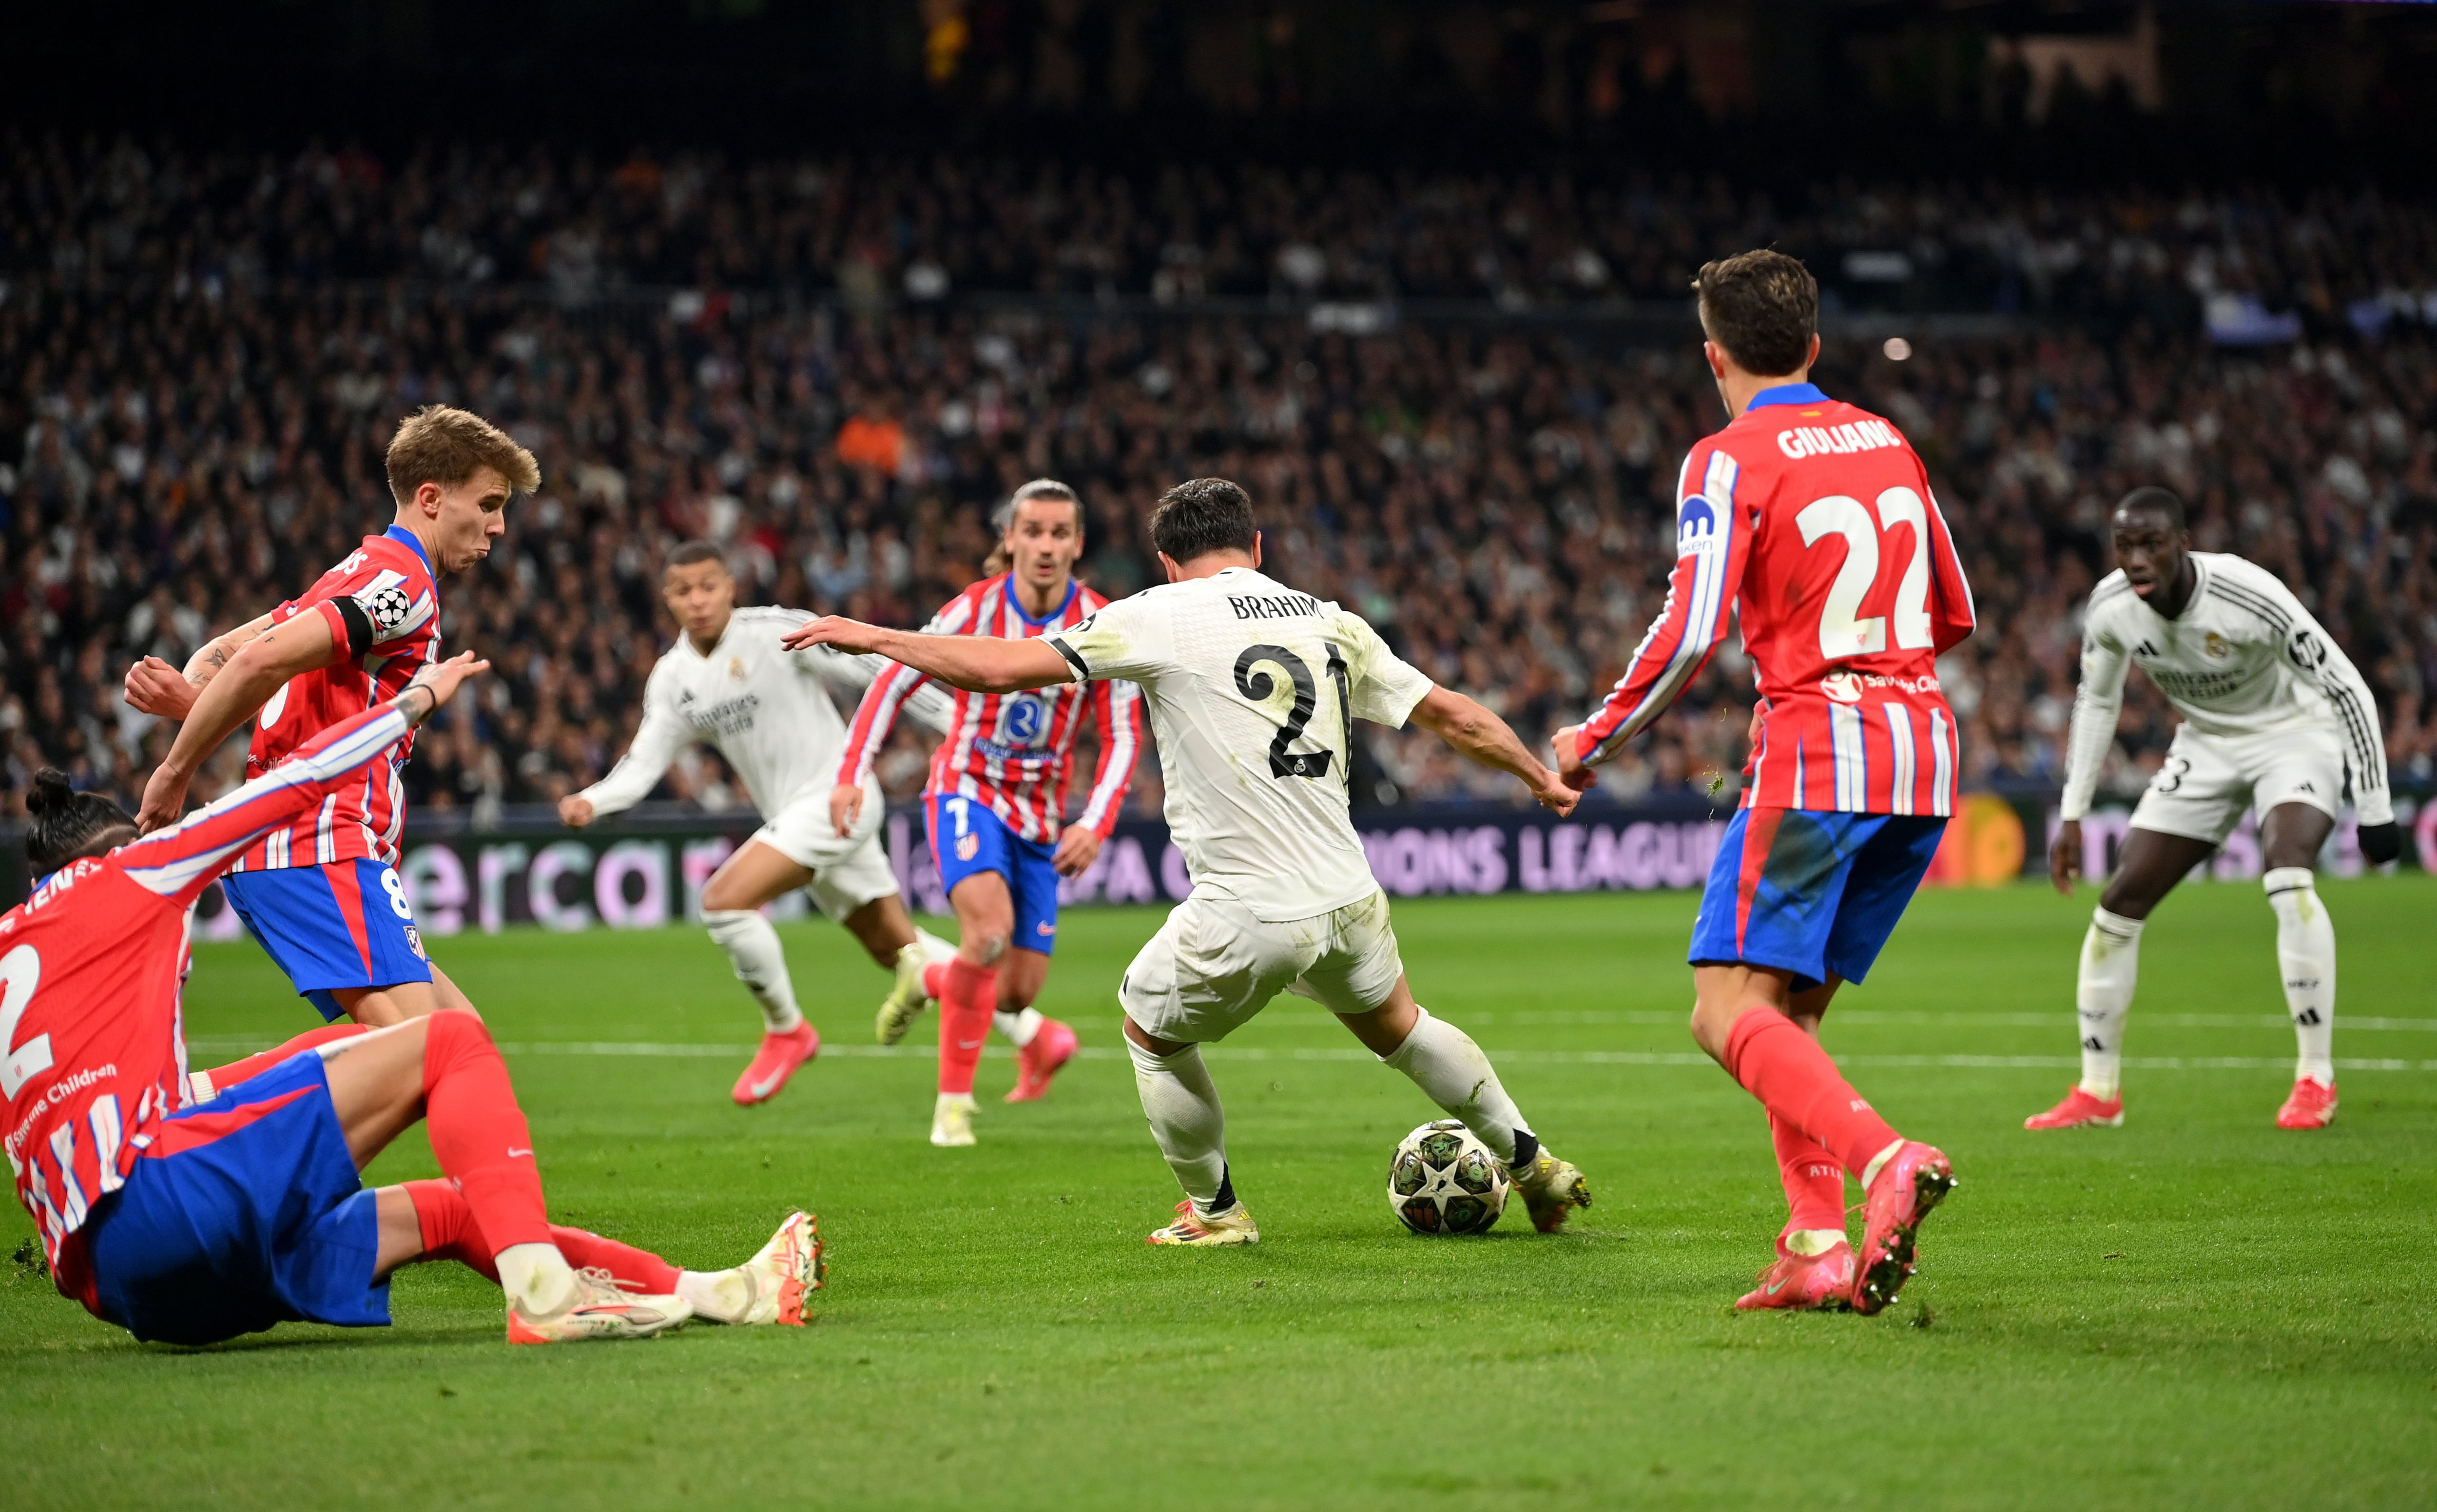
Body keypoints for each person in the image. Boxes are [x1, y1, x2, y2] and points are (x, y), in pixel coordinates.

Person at [785, 478, 1594, 1246]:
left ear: (1168, 560)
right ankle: (1535, 1163)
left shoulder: (1157, 613)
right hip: (1351, 895)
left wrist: (871, 636)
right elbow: (1453, 716)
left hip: (1252, 905)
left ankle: (1216, 1211)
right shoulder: (1329, 618)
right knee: (1401, 1026)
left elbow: (998, 670)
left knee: (1149, 1029)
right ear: (1258, 544)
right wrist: (1540, 778)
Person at [6, 656, 823, 1346]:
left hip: (133, 1291)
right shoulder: (133, 873)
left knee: (452, 1207)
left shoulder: (14, 940)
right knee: (446, 1042)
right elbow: (302, 780)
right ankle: (543, 1296)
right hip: (170, 1203)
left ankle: (719, 1291)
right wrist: (418, 698)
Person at [1553, 250, 1976, 1315]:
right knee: (1786, 1015)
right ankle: (1815, 1242)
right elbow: (1955, 608)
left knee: (1721, 1010)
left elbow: (1694, 627)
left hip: (1821, 753)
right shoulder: (1890, 441)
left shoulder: (1725, 457)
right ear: (1817, 348)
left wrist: (1590, 736)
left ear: (1713, 356)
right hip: (1923, 756)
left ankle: (1885, 1161)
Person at [123, 405, 533, 1028]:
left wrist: (190, 698)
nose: (498, 527)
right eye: (488, 504)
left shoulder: (356, 571)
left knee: (460, 1043)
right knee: (432, 1051)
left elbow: (228, 654)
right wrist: (177, 768)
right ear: (430, 498)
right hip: (320, 838)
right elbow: (259, 661)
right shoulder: (402, 586)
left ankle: (204, 1110)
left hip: (296, 843)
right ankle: (195, 1115)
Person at [2031, 486, 2400, 1133]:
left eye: (2151, 544)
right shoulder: (2113, 609)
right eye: (2125, 546)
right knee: (2120, 901)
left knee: (2287, 872)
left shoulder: (2248, 594)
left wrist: (2374, 807)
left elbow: (2345, 685)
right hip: (2206, 742)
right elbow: (2096, 704)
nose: (2137, 559)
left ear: (2182, 543)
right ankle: (2098, 1091)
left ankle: (2315, 1078)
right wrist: (2073, 812)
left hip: (2294, 734)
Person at [560, 542, 961, 1106]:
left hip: (835, 798)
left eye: (708, 586)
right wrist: (593, 801)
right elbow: (644, 761)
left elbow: (880, 672)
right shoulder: (674, 678)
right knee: (897, 948)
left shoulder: (777, 631)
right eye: (683, 590)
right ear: (667, 599)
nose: (697, 600)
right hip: (798, 817)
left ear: (730, 587)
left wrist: (957, 726)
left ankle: (787, 1030)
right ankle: (1036, 1034)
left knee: (723, 901)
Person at [831, 480, 1143, 1145]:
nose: (1046, 545)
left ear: (1078, 544)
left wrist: (1094, 821)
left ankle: (928, 973)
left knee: (1014, 993)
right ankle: (953, 1108)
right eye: (1033, 531)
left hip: (1040, 817)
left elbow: (1122, 732)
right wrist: (853, 771)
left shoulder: (1101, 623)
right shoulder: (972, 608)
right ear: (1010, 539)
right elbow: (895, 676)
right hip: (966, 789)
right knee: (989, 933)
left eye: (1060, 533)